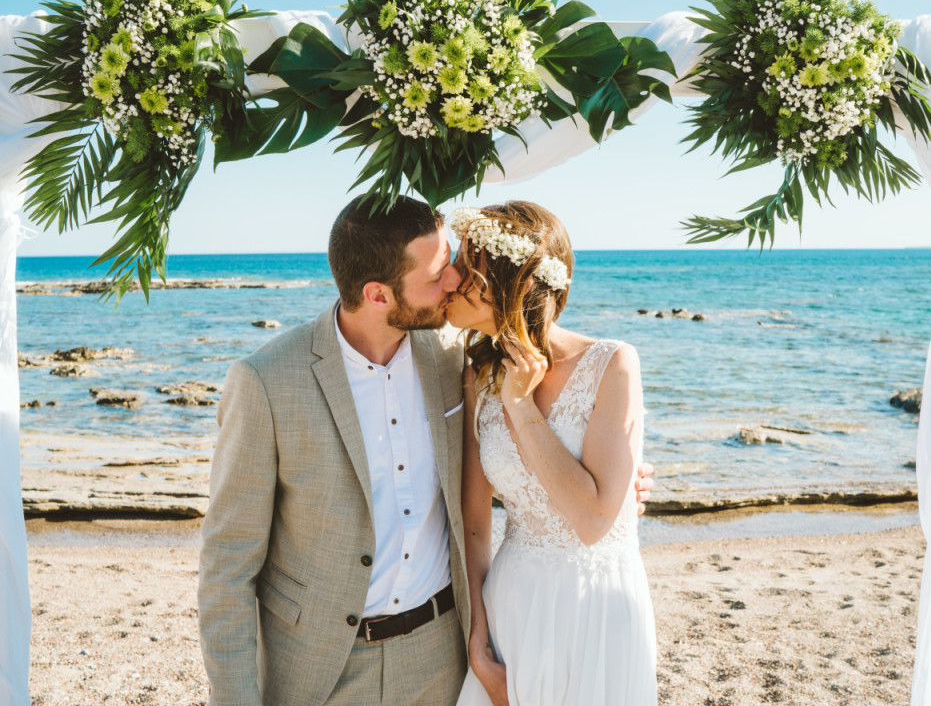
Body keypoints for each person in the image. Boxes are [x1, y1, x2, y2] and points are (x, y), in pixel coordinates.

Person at [198, 194, 469, 706]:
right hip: (322, 668)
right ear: (378, 294)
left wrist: (608, 472)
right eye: (436, 276)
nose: (453, 280)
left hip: (442, 656)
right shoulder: (265, 381)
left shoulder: (454, 357)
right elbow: (228, 562)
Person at [448, 201, 657, 706]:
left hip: (599, 608)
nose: (451, 275)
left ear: (505, 280)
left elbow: (591, 520)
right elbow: (474, 522)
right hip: (514, 602)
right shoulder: (476, 375)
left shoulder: (612, 363)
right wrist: (478, 634)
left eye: (465, 264)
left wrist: (520, 403)